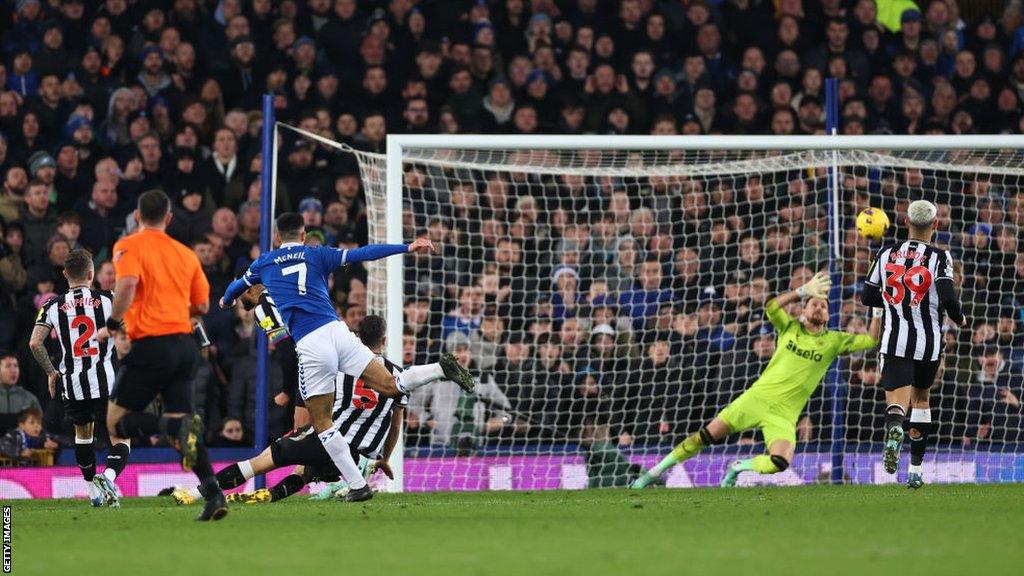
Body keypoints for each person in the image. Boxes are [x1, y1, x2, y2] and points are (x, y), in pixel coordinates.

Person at [220, 213, 474, 502]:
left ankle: (357, 484)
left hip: (312, 344)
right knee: (393, 384)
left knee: (322, 423)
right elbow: (364, 253)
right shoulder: (318, 254)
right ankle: (439, 368)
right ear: (303, 236)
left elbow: (235, 288)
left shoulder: (263, 263)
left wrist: (226, 300)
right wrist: (406, 247)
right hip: (338, 332)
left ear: (278, 238)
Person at [632, 272, 881, 489]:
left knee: (780, 462)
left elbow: (871, 340)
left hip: (784, 414)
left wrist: (878, 308)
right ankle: (653, 473)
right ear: (803, 311)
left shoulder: (834, 341)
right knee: (706, 435)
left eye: (823, 306)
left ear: (828, 315)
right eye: (813, 304)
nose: (818, 308)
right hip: (756, 398)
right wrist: (801, 290)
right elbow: (771, 307)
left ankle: (739, 467)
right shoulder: (790, 328)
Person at [171, 314, 429, 504]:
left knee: (260, 462)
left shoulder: (340, 367)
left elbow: (311, 400)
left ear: (357, 337)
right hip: (357, 456)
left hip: (330, 440)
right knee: (304, 473)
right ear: (384, 340)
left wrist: (301, 428)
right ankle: (269, 496)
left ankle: (194, 494)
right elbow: (395, 425)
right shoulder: (396, 375)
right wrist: (384, 458)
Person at [96, 190, 227, 521]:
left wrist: (112, 324)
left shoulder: (129, 245)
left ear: (137, 216)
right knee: (188, 434)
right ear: (169, 218)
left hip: (152, 346)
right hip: (185, 347)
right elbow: (202, 306)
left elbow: (125, 286)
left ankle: (172, 426)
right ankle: (214, 494)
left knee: (115, 423)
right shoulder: (186, 254)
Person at [861, 199, 966, 489]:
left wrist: (891, 300)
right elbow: (947, 296)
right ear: (936, 225)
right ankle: (916, 470)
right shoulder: (940, 257)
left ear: (906, 222)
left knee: (897, 403)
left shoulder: (885, 253)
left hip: (894, 340)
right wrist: (959, 318)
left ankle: (895, 427)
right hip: (929, 344)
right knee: (921, 400)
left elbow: (867, 297)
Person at [28, 248, 121, 507]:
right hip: (107, 382)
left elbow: (35, 343)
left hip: (73, 383)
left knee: (83, 435)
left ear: (65, 273)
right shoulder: (110, 299)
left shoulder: (52, 306)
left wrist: (51, 372)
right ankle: (110, 477)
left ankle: (93, 491)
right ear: (91, 274)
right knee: (120, 436)